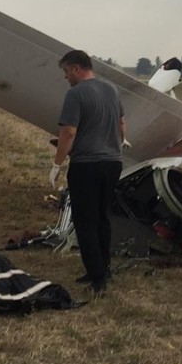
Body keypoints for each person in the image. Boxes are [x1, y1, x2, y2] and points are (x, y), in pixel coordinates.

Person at [50, 49, 126, 295]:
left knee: (85, 221)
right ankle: (104, 268)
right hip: (113, 163)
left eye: (65, 71)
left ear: (76, 69)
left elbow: (68, 132)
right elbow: (122, 124)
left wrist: (57, 164)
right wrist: (118, 142)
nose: (65, 77)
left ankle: (98, 279)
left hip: (87, 165)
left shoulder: (75, 94)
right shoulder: (111, 90)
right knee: (103, 218)